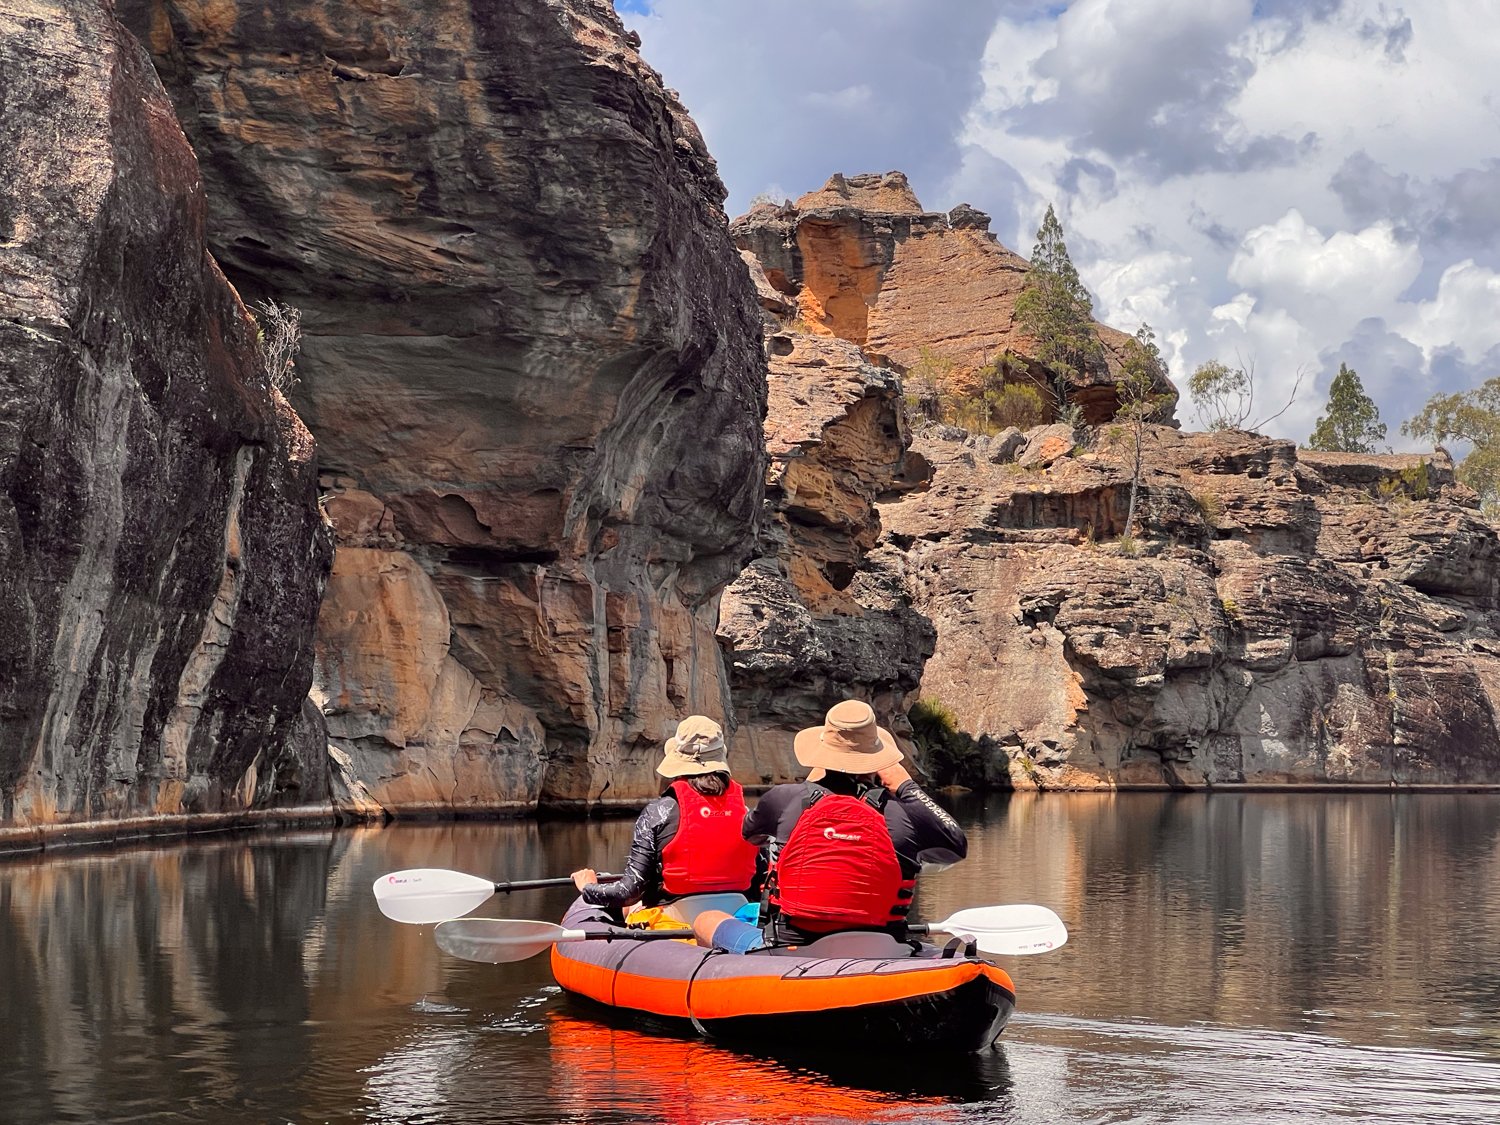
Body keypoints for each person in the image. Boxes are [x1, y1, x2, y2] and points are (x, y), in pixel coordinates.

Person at [692, 699, 967, 952]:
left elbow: (750, 834)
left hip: (788, 946)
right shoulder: (904, 814)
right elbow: (955, 844)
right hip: (882, 944)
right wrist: (907, 787)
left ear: (822, 754)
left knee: (707, 919)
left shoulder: (784, 799)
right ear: (878, 761)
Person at [571, 716, 759, 920]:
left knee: (626, 908)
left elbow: (628, 892)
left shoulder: (658, 812)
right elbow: (759, 875)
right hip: (736, 916)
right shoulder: (746, 813)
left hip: (677, 920)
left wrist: (588, 887)